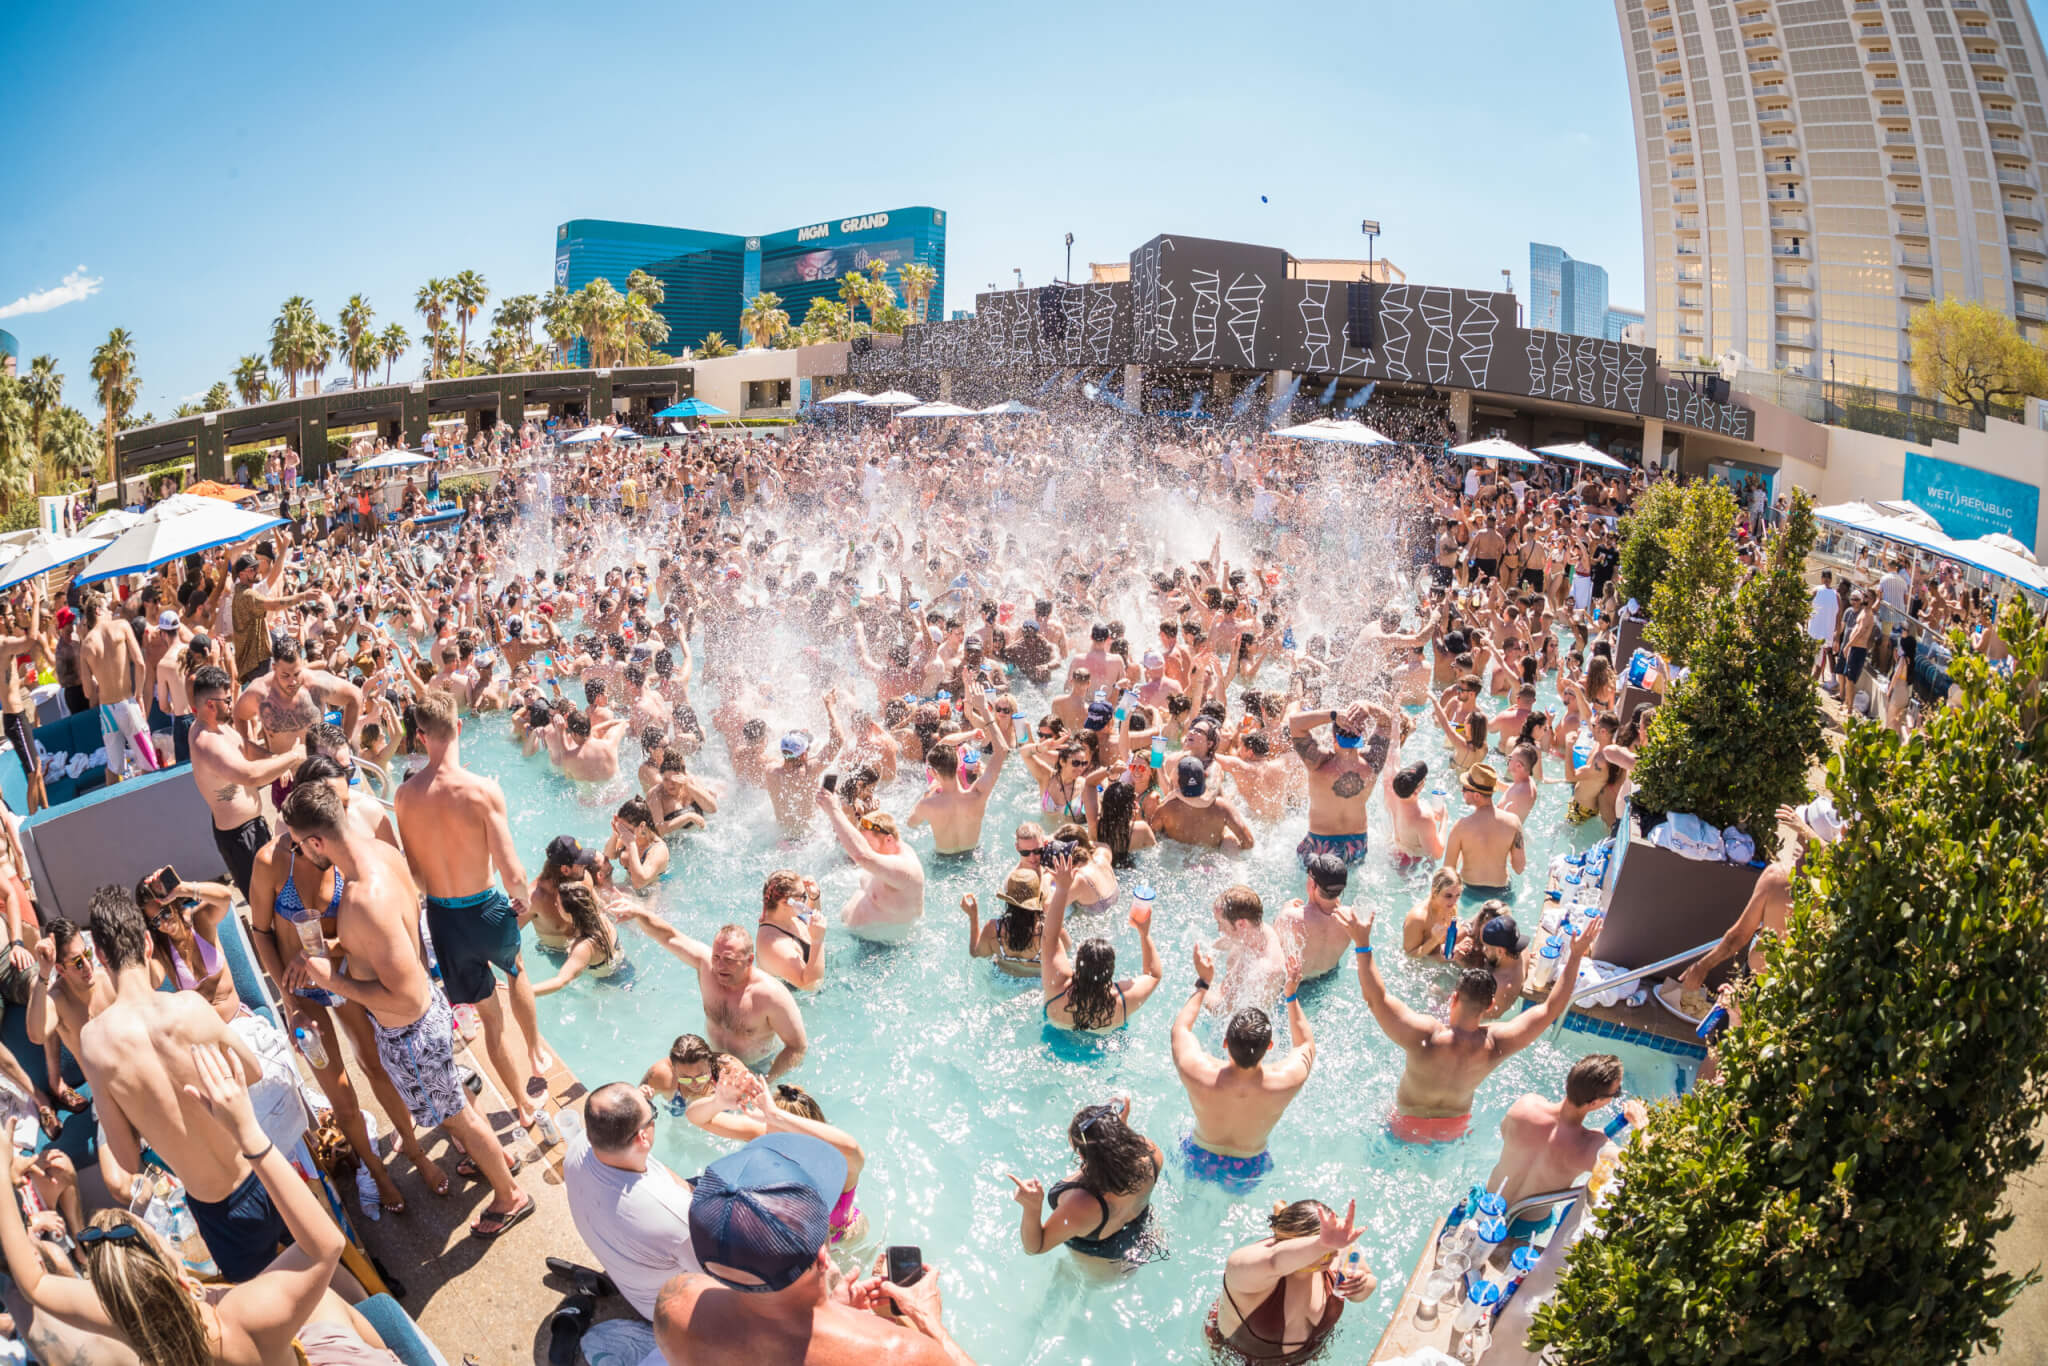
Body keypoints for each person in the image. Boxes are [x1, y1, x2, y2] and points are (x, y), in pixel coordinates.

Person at [0, 1043, 404, 1366]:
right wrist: (248, 1133)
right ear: (183, 1278)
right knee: (327, 1304)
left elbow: (33, 1284)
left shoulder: (131, 1324)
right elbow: (324, 1247)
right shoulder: (242, 1319)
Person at [277, 782, 532, 1237]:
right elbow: (388, 940)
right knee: (457, 1099)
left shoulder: (360, 900)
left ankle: (509, 1194)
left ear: (317, 841)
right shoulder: (383, 854)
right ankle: (496, 1153)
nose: (301, 854)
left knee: (460, 1118)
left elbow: (406, 997)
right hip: (429, 1015)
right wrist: (334, 950)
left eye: (300, 845)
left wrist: (332, 981)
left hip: (411, 1031)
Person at [71, 888, 292, 1282]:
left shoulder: (94, 1043)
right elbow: (253, 1072)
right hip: (264, 1166)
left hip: (217, 1209)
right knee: (325, 1275)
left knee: (275, 1313)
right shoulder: (190, 1007)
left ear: (101, 957)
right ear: (144, 943)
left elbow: (125, 1159)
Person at [653, 1133, 977, 1365]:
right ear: (824, 1255)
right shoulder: (900, 1353)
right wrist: (926, 1321)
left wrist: (836, 1312)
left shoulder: (677, 1306)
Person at [392, 690, 549, 1127]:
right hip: (485, 908)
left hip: (443, 918)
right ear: (458, 727)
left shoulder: (404, 796)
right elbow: (512, 869)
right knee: (516, 968)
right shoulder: (482, 791)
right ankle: (535, 1047)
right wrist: (519, 896)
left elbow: (416, 872)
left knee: (488, 1019)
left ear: (421, 737)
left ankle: (520, 1103)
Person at [1334, 905, 1598, 1144]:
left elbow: (1375, 999)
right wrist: (1574, 956)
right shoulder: (1496, 1044)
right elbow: (1551, 1009)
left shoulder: (1425, 1036)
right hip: (1454, 1129)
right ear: (1490, 1005)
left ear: (1454, 997)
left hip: (1406, 1124)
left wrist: (1363, 944)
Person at [562, 1082, 702, 1363]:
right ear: (643, 1138)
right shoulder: (673, 1217)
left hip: (628, 1270)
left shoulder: (577, 1148)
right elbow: (715, 1277)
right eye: (652, 1113)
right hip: (666, 1311)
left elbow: (659, 1174)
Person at [1172, 942, 1313, 1193]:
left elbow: (1180, 1029)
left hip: (1200, 1155)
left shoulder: (1197, 1071)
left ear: (1225, 1042)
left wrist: (1204, 983)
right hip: (1249, 1166)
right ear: (1269, 1047)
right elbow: (1305, 1044)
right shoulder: (1286, 1081)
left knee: (1188, 1200)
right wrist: (1290, 994)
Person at [615, 910, 808, 1079]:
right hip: (709, 1060)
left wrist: (765, 1080)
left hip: (755, 1067)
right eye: (716, 957)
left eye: (729, 960)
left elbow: (797, 1047)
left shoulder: (770, 995)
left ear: (749, 960)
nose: (720, 966)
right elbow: (669, 936)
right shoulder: (706, 966)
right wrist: (639, 913)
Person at [1485, 1054, 1644, 1247]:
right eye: (1616, 1093)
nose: (1617, 1095)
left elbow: (1510, 1135)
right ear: (1595, 1103)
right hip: (1525, 1229)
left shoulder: (1526, 1105)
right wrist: (1641, 1123)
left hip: (1486, 1204)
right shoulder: (1589, 1148)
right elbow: (1639, 1166)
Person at [1205, 1199, 1377, 1363]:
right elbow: (1275, 1260)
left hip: (1305, 1356)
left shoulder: (1337, 1250)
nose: (1334, 1256)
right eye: (1324, 1249)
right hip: (1236, 1358)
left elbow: (1366, 1283)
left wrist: (1361, 1286)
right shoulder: (1248, 1268)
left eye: (1335, 1247)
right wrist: (1321, 1245)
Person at [187, 666, 304, 898]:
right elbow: (249, 774)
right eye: (227, 700)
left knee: (279, 891)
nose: (232, 704)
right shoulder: (206, 742)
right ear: (210, 705)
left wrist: (276, 760)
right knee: (266, 903)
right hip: (240, 838)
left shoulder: (218, 727)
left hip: (252, 828)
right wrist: (293, 757)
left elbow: (246, 748)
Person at [1007, 1098, 1165, 1270]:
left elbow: (1035, 1247)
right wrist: (1120, 1129)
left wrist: (1032, 1208)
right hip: (1143, 1227)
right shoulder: (1151, 1154)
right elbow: (1123, 1152)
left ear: (1082, 1156)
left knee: (1073, 1280)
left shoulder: (1081, 1206)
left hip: (1103, 1259)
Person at [1040, 855, 1161, 1033]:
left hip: (1056, 1044)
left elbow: (1049, 937)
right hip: (1103, 1050)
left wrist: (1062, 889)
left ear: (1078, 964)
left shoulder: (1057, 988)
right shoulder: (1123, 1001)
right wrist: (1144, 934)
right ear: (1111, 969)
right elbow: (1153, 975)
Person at [1287, 700, 1394, 868]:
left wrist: (1333, 714)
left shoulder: (1318, 763)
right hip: (1356, 844)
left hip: (1320, 844)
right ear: (1362, 735)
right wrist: (1368, 706)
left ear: (1333, 737)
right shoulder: (1373, 763)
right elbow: (1387, 723)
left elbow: (1295, 722)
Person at [814, 794, 926, 942]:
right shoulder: (887, 850)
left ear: (888, 839)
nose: (865, 847)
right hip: (859, 937)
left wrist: (834, 810)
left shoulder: (904, 869)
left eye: (868, 842)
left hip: (881, 950)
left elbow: (862, 855)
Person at [79, 594, 159, 780]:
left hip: (107, 710)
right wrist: (139, 695)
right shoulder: (121, 626)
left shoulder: (86, 645)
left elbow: (88, 691)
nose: (111, 611)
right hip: (127, 704)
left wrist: (100, 676)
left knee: (114, 769)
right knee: (148, 760)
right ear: (98, 610)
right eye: (108, 608)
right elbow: (140, 663)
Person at [1441, 762, 1525, 898]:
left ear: (1477, 796)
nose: (1462, 791)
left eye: (1465, 788)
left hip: (1469, 893)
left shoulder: (1461, 827)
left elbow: (1447, 872)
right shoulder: (1513, 822)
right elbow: (1519, 867)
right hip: (1502, 892)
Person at [1274, 853, 1357, 980]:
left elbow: (1271, 949)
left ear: (1312, 884)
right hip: (1328, 977)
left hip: (1297, 983)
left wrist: (1283, 911)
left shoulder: (1291, 917)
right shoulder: (1351, 917)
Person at [529, 884, 624, 995]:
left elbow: (560, 982)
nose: (555, 905)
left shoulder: (584, 947)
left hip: (608, 985)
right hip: (624, 965)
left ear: (569, 914)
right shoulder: (600, 917)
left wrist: (519, 993)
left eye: (558, 905)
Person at [960, 869, 1051, 976]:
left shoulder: (993, 929)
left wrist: (973, 916)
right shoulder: (1048, 931)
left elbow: (975, 953)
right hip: (1036, 984)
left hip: (1001, 980)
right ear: (1038, 900)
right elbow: (1067, 952)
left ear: (1008, 900)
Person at [755, 869, 826, 992]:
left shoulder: (788, 916)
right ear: (785, 902)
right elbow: (810, 986)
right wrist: (818, 940)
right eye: (803, 896)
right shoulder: (774, 945)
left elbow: (811, 918)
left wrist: (814, 897)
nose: (806, 899)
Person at [1401, 867, 1464, 959]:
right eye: (1448, 896)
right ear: (1434, 892)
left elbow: (1456, 928)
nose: (1454, 901)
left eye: (1457, 895)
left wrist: (1460, 944)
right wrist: (1434, 940)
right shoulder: (1417, 918)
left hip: (1439, 958)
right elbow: (1409, 956)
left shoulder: (1451, 907)